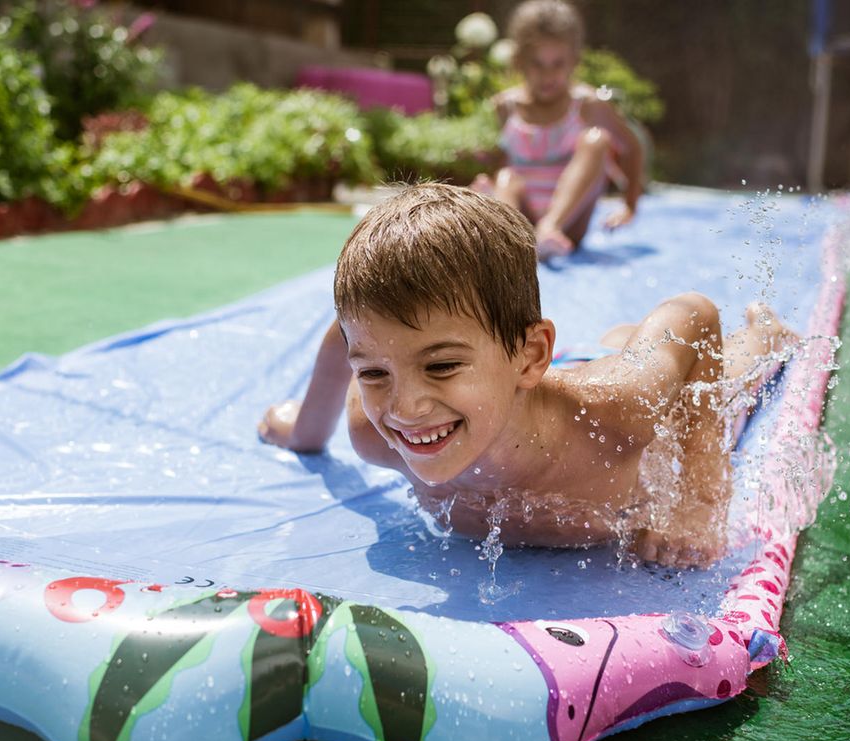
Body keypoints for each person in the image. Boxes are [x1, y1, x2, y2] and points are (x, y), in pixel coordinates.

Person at [258, 184, 793, 567]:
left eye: (440, 365)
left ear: (531, 354)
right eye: (373, 372)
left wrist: (700, 501)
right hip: (513, 385)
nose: (405, 407)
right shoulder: (376, 433)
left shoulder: (615, 414)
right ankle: (613, 339)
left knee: (727, 387)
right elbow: (344, 336)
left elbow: (693, 313)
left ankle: (764, 332)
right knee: (612, 347)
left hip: (593, 393)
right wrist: (305, 429)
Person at [472, 0, 646, 258]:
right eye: (538, 64)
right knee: (506, 177)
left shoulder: (587, 105)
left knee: (595, 140)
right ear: (519, 61)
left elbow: (631, 146)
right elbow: (495, 164)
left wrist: (629, 206)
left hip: (569, 225)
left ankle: (549, 228)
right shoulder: (505, 107)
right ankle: (513, 240)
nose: (548, 75)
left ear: (574, 61)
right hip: (522, 218)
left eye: (557, 64)